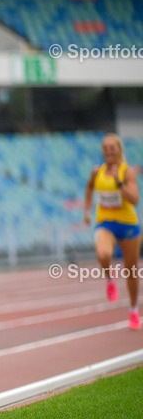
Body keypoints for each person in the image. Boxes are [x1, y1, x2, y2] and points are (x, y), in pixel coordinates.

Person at [84, 133, 140, 329]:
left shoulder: (127, 172)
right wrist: (87, 211)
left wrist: (119, 183)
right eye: (105, 148)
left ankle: (133, 310)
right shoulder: (96, 171)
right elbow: (90, 187)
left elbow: (134, 199)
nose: (108, 151)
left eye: (112, 147)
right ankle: (109, 278)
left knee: (131, 271)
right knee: (103, 253)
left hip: (127, 225)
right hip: (105, 222)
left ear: (119, 150)